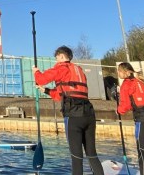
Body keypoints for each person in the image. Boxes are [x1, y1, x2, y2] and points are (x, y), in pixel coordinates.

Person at [33, 46, 104, 175]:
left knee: (76, 156)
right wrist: (47, 91)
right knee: (91, 154)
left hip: (73, 116)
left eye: (56, 58)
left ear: (61, 56)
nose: (56, 61)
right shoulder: (79, 70)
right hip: (88, 113)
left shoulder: (61, 68)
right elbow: (64, 94)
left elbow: (41, 79)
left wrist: (36, 71)